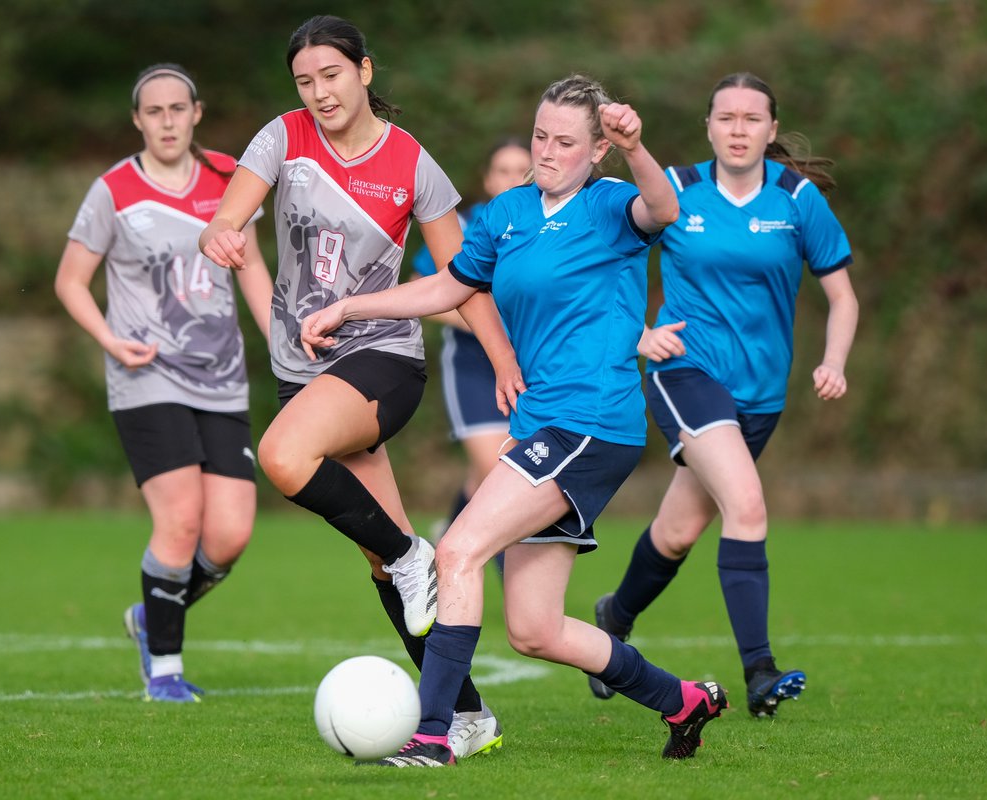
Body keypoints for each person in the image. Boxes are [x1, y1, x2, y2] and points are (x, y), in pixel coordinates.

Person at [302, 74, 729, 767]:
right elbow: (451, 285)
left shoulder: (613, 204)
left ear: (597, 151)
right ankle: (682, 701)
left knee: (458, 551)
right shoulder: (505, 214)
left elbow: (666, 209)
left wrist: (640, 147)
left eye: (566, 141)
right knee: (534, 628)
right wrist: (353, 307)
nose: (548, 150)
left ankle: (436, 733)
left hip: (591, 421)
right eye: (540, 136)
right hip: (543, 425)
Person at [198, 15, 517, 758]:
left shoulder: (413, 165)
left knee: (282, 459)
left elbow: (462, 281)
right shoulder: (281, 138)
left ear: (365, 71)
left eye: (331, 76)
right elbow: (230, 214)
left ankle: (413, 556)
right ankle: (467, 714)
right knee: (382, 564)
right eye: (305, 82)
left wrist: (503, 360)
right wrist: (220, 232)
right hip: (300, 370)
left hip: (382, 359)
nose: (319, 93)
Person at [588, 72, 859, 718]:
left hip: (760, 396)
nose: (738, 129)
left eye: (751, 118)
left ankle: (613, 618)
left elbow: (842, 294)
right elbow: (599, 265)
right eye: (726, 117)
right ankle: (759, 670)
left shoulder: (797, 200)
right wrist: (641, 333)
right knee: (747, 505)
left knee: (678, 531)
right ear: (708, 127)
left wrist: (834, 361)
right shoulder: (676, 190)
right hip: (685, 374)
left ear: (770, 130)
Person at [55, 63, 273, 703]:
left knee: (229, 534)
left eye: (178, 108)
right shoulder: (113, 190)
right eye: (155, 111)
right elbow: (70, 280)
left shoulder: (229, 179)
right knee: (180, 521)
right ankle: (166, 669)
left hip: (223, 380)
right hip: (146, 377)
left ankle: (152, 614)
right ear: (138, 120)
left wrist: (281, 343)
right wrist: (108, 339)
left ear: (196, 112)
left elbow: (253, 265)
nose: (168, 120)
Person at [411, 139, 532, 576]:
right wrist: (489, 327)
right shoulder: (463, 226)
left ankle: (449, 536)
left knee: (492, 474)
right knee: (504, 466)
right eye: (503, 169)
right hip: (472, 369)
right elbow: (425, 289)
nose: (513, 178)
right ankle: (512, 577)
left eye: (523, 169)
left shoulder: (551, 226)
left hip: (531, 368)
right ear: (487, 179)